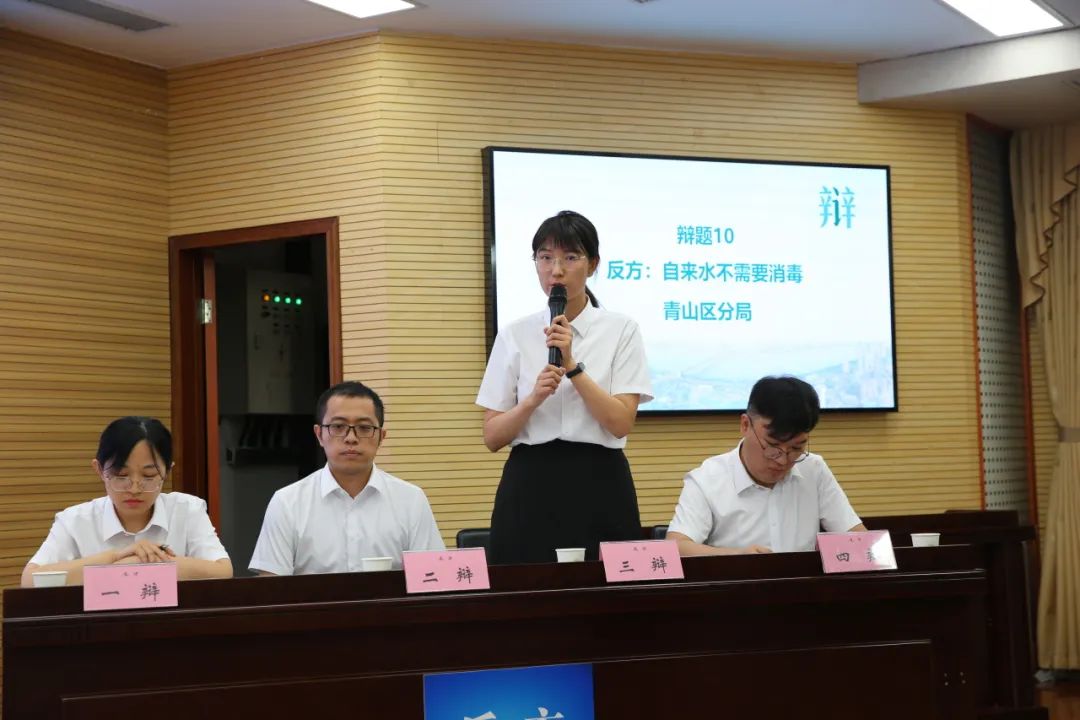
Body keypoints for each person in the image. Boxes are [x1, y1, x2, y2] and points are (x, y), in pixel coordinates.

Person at [477, 210, 653, 564]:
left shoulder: (621, 330)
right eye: (545, 258)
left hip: (600, 480)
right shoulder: (514, 334)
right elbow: (492, 437)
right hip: (529, 483)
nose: (555, 270)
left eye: (570, 258)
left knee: (608, 588)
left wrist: (573, 367)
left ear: (593, 264)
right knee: (524, 588)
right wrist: (532, 400)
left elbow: (621, 422)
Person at [249, 381, 444, 575]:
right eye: (338, 426)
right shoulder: (287, 503)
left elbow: (434, 577)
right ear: (319, 434)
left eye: (364, 428)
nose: (351, 438)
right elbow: (271, 585)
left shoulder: (411, 500)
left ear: (381, 437)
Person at [21, 416, 232, 587]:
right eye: (121, 476)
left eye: (149, 476)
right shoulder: (75, 520)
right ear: (99, 470)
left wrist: (140, 561)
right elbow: (30, 580)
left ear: (167, 471)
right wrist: (116, 557)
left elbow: (223, 570)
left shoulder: (187, 510)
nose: (134, 489)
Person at [667, 376, 865, 555]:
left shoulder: (813, 469)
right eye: (772, 446)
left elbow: (859, 540)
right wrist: (737, 557)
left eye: (796, 448)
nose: (782, 460)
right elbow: (677, 547)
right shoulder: (707, 479)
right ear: (745, 425)